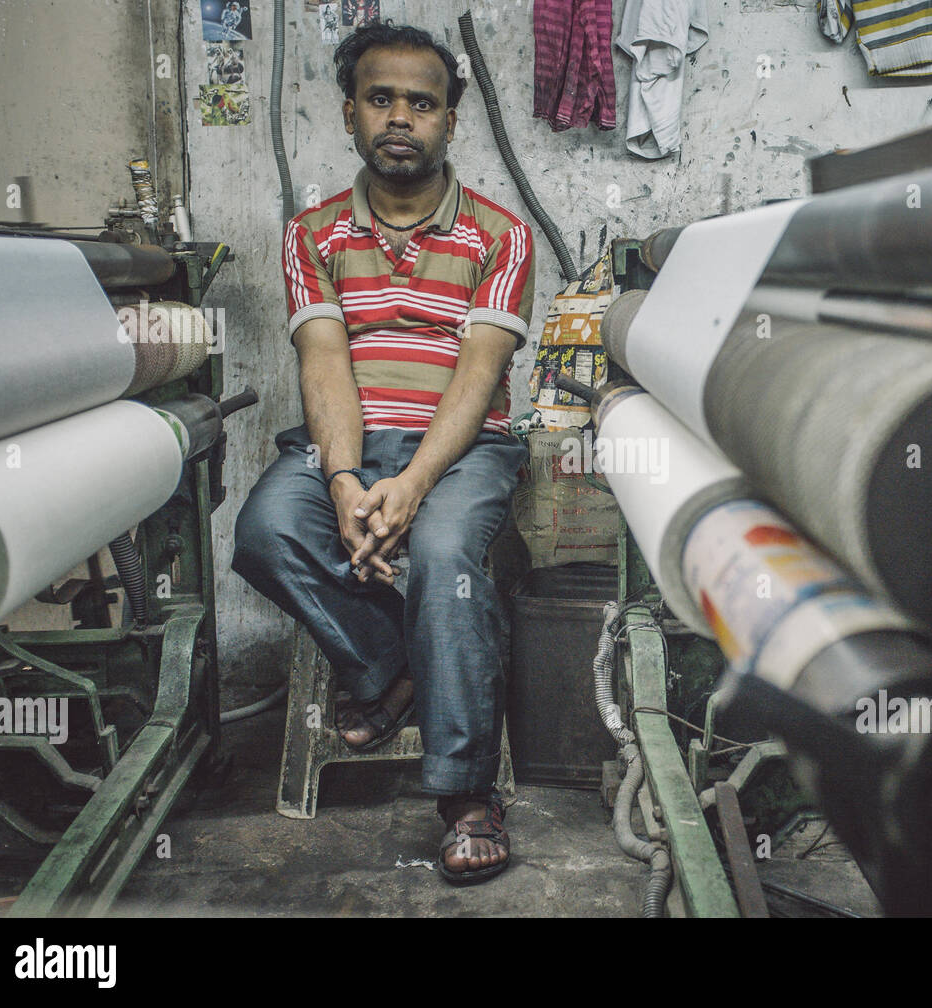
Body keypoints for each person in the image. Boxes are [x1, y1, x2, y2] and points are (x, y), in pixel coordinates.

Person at [232, 22, 534, 885]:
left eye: (422, 102)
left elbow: (478, 379)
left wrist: (410, 485)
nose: (400, 116)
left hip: (462, 446)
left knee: (444, 555)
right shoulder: (312, 234)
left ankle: (467, 794)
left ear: (448, 121)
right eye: (380, 98)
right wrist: (341, 479)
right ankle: (393, 665)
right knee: (264, 530)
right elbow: (323, 359)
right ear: (350, 113)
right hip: (347, 442)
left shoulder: (500, 236)